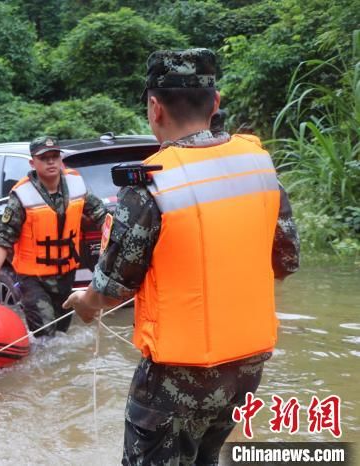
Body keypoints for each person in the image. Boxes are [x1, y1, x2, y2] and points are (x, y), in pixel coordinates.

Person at [62, 48, 300, 465]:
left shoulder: (152, 184)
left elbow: (112, 288)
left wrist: (85, 303)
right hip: (246, 369)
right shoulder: (261, 169)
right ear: (216, 102)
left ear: (155, 108)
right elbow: (285, 263)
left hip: (175, 379)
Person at [0, 136, 107, 337]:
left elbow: (100, 214)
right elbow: (3, 240)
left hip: (66, 273)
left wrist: (115, 234)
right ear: (32, 163)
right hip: (33, 278)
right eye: (44, 158)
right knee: (46, 334)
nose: (51, 161)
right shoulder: (21, 195)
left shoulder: (75, 183)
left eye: (55, 156)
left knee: (62, 334)